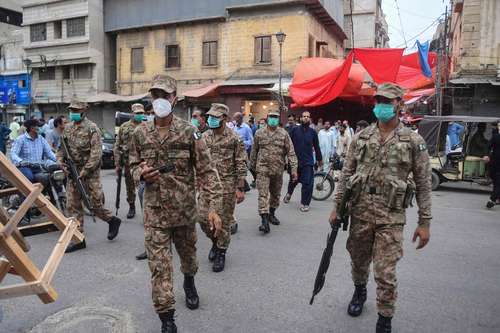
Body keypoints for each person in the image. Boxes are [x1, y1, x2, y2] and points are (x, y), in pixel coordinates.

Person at [329, 83, 431, 333]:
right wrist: (337, 206)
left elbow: (423, 182)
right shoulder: (361, 137)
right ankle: (360, 291)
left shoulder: (413, 141)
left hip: (391, 215)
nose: (382, 106)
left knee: (385, 271)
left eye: (387, 101)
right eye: (378, 101)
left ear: (399, 104)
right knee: (358, 261)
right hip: (360, 211)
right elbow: (346, 174)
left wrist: (424, 222)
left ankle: (385, 318)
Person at [129, 74, 222, 333]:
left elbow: (205, 171)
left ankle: (189, 281)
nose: (159, 100)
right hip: (155, 214)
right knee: (159, 268)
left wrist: (211, 208)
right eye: (155, 95)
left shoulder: (189, 132)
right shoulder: (140, 133)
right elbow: (133, 164)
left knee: (189, 259)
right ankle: (167, 318)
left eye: (165, 95)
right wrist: (140, 174)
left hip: (184, 212)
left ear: (175, 99)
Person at [57, 99, 122, 253]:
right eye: (71, 110)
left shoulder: (92, 128)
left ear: (84, 111)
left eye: (76, 110)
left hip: (89, 173)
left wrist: (85, 171)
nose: (73, 113)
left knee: (94, 205)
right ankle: (79, 239)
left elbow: (96, 154)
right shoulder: (67, 128)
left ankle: (112, 220)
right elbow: (61, 149)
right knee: (72, 206)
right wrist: (61, 162)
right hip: (73, 172)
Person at [199, 103, 246, 272]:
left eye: (215, 117)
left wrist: (240, 188)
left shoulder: (234, 138)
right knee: (202, 218)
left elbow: (241, 163)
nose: (211, 119)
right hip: (207, 186)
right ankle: (215, 242)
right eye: (210, 116)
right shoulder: (204, 137)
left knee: (223, 222)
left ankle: (221, 252)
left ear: (225, 118)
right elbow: (199, 161)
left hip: (227, 186)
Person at [250, 108, 297, 233]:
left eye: (275, 117)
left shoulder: (284, 134)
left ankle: (271, 213)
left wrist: (294, 169)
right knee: (263, 194)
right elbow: (254, 152)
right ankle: (264, 221)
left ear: (279, 119)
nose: (273, 119)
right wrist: (252, 168)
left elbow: (291, 152)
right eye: (271, 116)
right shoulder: (259, 133)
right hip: (262, 169)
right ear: (267, 117)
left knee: (275, 195)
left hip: (278, 170)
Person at [284, 111, 323, 212]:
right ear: (300, 118)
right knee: (293, 181)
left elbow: (317, 146)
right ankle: (289, 193)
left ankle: (305, 203)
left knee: (308, 183)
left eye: (307, 117)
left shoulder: (313, 132)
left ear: (309, 119)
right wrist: (285, 158)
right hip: (295, 162)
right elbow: (287, 145)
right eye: (304, 116)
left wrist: (319, 160)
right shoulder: (294, 130)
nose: (306, 118)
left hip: (308, 162)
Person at [114, 103, 146, 219]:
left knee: (143, 188)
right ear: (132, 113)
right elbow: (117, 145)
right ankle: (132, 207)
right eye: (137, 113)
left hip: (143, 163)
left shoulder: (147, 126)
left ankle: (145, 211)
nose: (139, 115)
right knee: (130, 187)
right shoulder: (124, 127)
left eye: (141, 113)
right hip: (127, 162)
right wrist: (117, 164)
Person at [485, 122, 500, 208]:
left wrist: (487, 154)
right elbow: (488, 146)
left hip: (495, 163)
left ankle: (493, 199)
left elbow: (488, 146)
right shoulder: (496, 136)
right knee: (497, 182)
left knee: (497, 183)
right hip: (496, 164)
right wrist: (487, 155)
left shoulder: (496, 136)